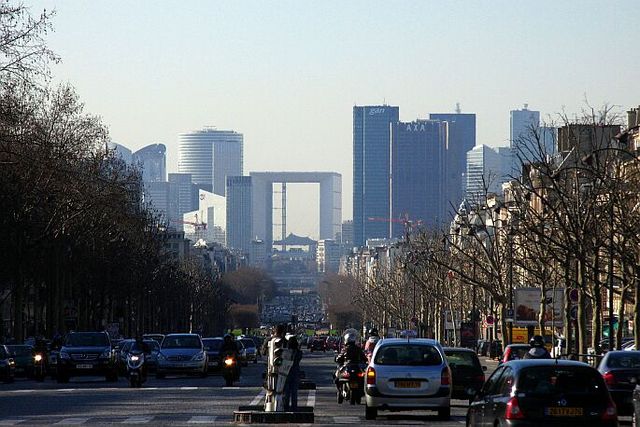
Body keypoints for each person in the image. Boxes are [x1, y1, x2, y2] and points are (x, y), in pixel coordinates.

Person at [283, 337, 303, 411]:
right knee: (294, 393)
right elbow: (299, 358)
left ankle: (286, 408)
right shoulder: (298, 353)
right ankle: (294, 408)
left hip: (287, 373)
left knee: (286, 393)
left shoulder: (286, 352)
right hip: (295, 373)